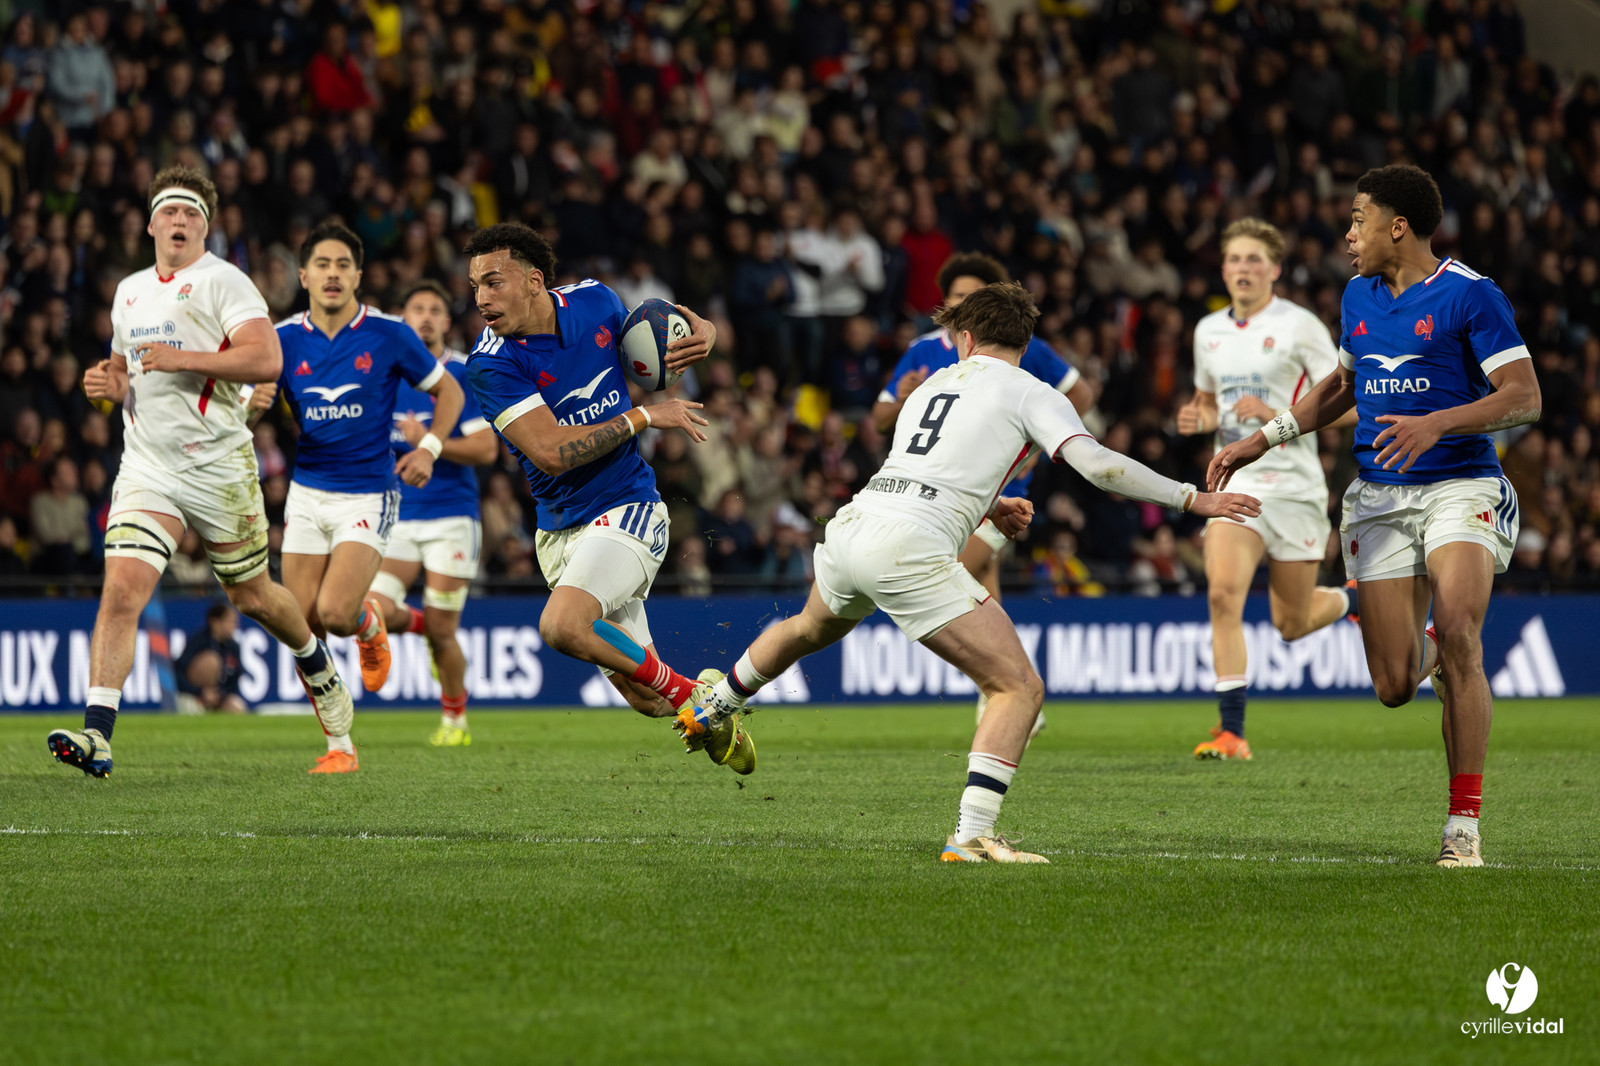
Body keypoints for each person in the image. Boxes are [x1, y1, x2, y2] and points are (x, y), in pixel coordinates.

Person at [681, 282, 1260, 862]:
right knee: (1017, 687)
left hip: (855, 523)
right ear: (1025, 342)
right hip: (909, 546)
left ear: (964, 339)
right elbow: (1100, 465)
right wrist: (1192, 499)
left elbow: (921, 468)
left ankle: (715, 706)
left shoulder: (932, 384)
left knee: (808, 628)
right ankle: (973, 833)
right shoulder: (1031, 390)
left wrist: (990, 503)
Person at [1209, 165, 1541, 867]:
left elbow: (1523, 395)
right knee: (1394, 685)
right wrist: (1254, 441)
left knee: (1460, 633)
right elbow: (1340, 386)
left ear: (1399, 226)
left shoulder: (1471, 295)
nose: (1349, 232)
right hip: (1379, 496)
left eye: (1359, 218)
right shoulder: (1358, 294)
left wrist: (1437, 424)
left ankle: (1463, 827)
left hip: (1460, 484)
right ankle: (1438, 661)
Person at [47, 165, 355, 779]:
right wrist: (105, 384)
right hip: (148, 468)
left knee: (253, 597)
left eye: (191, 213)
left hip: (219, 466)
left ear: (205, 226)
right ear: (151, 223)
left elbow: (267, 358)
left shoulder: (225, 283)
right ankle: (98, 735)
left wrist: (182, 358)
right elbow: (124, 372)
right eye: (170, 211)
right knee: (121, 591)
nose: (179, 221)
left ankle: (313, 658)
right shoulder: (129, 291)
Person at [462, 221, 755, 773]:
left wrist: (706, 333)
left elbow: (663, 336)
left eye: (493, 282)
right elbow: (550, 453)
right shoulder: (491, 363)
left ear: (533, 281)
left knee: (561, 626)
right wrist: (647, 415)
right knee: (648, 700)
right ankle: (705, 697)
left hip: (629, 506)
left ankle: (699, 699)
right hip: (559, 531)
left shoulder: (597, 303)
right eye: (475, 285)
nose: (481, 298)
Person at [871, 252, 1095, 739]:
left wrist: (1038, 445)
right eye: (955, 296)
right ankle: (1011, 694)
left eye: (972, 297)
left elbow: (1082, 394)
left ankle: (1004, 693)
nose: (962, 304)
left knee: (957, 569)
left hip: (997, 493)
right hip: (931, 494)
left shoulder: (1017, 347)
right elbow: (879, 419)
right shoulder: (921, 351)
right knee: (983, 589)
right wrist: (903, 396)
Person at [269, 220, 465, 773]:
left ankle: (368, 625)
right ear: (303, 275)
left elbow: (447, 389)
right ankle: (340, 747)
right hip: (307, 492)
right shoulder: (282, 339)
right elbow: (252, 399)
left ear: (358, 274)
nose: (332, 274)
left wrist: (428, 446)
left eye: (343, 265)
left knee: (334, 612)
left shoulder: (387, 333)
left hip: (367, 494)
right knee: (299, 624)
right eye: (322, 265)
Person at [1176, 218, 1357, 760]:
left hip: (1297, 488)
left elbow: (1349, 405)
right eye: (1235, 260)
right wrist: (1198, 415)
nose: (1244, 269)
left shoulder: (1300, 326)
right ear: (1224, 269)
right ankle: (1232, 731)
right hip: (1238, 482)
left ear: (1275, 269)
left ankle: (1356, 598)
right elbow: (1208, 401)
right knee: (1221, 594)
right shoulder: (1206, 332)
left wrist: (1276, 418)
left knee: (1291, 623)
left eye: (1255, 260)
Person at [365, 279, 498, 747]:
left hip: (451, 518)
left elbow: (486, 449)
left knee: (446, 634)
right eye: (416, 308)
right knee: (371, 609)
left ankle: (455, 721)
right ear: (404, 318)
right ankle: (420, 623)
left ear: (446, 321)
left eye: (434, 309)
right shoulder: (386, 374)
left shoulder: (462, 374)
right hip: (398, 517)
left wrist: (429, 441)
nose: (425, 316)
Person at [175, 602, 248, 713]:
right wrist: (200, 692)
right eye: (230, 621)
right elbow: (178, 672)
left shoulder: (233, 647)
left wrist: (220, 694)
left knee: (237, 706)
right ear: (215, 622)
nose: (235, 626)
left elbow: (236, 678)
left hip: (219, 696)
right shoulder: (198, 642)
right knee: (211, 661)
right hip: (195, 694)